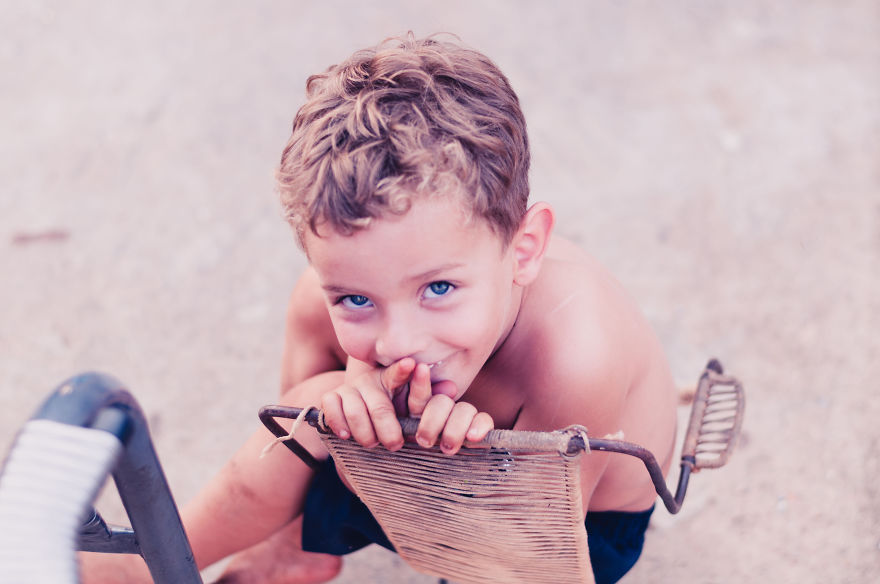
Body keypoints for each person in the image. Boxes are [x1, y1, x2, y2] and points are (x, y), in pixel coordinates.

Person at [82, 33, 678, 584]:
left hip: (561, 533)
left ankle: (313, 529)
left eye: (439, 289)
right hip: (419, 473)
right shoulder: (327, 299)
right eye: (358, 298)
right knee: (305, 405)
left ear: (522, 252)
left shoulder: (575, 354)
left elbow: (534, 554)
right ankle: (165, 563)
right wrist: (350, 407)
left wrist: (449, 463)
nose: (397, 343)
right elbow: (311, 443)